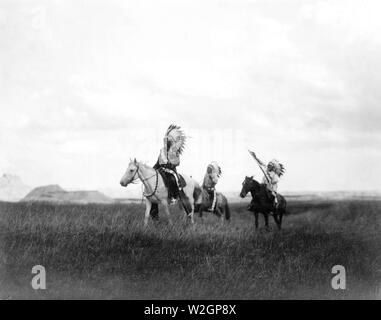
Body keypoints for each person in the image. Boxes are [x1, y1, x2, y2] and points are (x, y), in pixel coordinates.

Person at [150, 125, 186, 218]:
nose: (167, 141)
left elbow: (177, 162)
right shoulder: (162, 151)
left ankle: (173, 196)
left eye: (168, 140)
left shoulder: (175, 151)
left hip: (170, 171)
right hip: (160, 169)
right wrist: (152, 169)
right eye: (166, 140)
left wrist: (170, 163)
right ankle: (154, 213)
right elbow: (157, 162)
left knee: (172, 180)